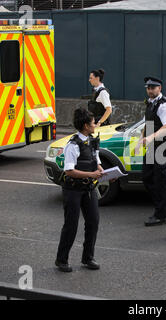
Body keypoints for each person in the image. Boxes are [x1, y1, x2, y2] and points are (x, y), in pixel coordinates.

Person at [55, 108, 104, 272]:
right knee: (71, 225)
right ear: (85, 125)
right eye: (92, 123)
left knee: (93, 222)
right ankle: (61, 260)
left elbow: (95, 161)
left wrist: (101, 170)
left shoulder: (92, 140)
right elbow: (69, 171)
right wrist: (92, 173)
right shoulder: (72, 145)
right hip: (73, 190)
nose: (95, 125)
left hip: (89, 188)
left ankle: (88, 258)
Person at [135, 76, 166, 226]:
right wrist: (141, 140)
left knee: (160, 181)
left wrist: (151, 137)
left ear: (160, 88)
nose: (150, 90)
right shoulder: (151, 104)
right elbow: (148, 123)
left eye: (153, 87)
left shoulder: (165, 105)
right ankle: (163, 206)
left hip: (162, 147)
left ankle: (161, 215)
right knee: (146, 177)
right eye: (148, 87)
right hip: (152, 146)